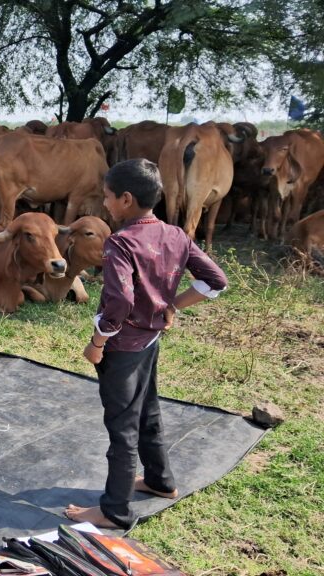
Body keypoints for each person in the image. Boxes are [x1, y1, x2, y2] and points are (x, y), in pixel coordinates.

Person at [64, 158, 228, 529]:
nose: (105, 204)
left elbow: (119, 302)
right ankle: (159, 481)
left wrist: (97, 342)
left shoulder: (120, 243)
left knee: (122, 425)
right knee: (148, 410)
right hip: (150, 340)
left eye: (107, 197)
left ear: (125, 199)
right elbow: (216, 280)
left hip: (123, 346)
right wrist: (173, 304)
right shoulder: (176, 235)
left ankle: (115, 510)